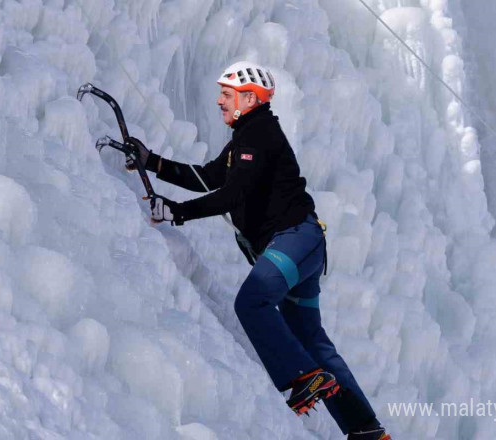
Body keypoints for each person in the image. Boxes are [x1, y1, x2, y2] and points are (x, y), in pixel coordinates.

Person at [129, 61, 390, 440]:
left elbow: (234, 194)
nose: (219, 100)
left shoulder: (259, 135)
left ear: (249, 98)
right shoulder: (247, 138)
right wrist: (151, 161)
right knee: (310, 339)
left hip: (295, 240)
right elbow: (209, 177)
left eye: (227, 94)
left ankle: (303, 376)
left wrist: (178, 212)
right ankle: (367, 431)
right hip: (304, 244)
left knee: (251, 302)